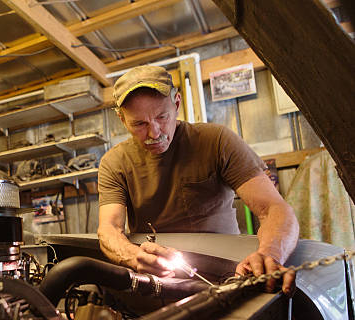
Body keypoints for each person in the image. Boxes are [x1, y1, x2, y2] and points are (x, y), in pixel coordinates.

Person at [97, 65, 299, 296]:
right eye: (139, 124)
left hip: (228, 272)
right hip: (158, 280)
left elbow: (274, 209)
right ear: (122, 119)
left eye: (162, 117)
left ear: (176, 104)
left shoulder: (217, 142)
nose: (154, 133)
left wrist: (269, 254)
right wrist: (133, 256)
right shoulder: (114, 163)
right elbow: (109, 229)